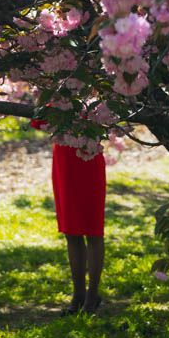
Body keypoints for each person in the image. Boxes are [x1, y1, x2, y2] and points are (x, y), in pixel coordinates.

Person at [30, 120, 107, 315]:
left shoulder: (98, 92)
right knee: (71, 232)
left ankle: (92, 295)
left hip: (89, 157)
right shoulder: (56, 92)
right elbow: (38, 121)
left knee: (93, 231)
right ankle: (78, 294)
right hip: (64, 161)